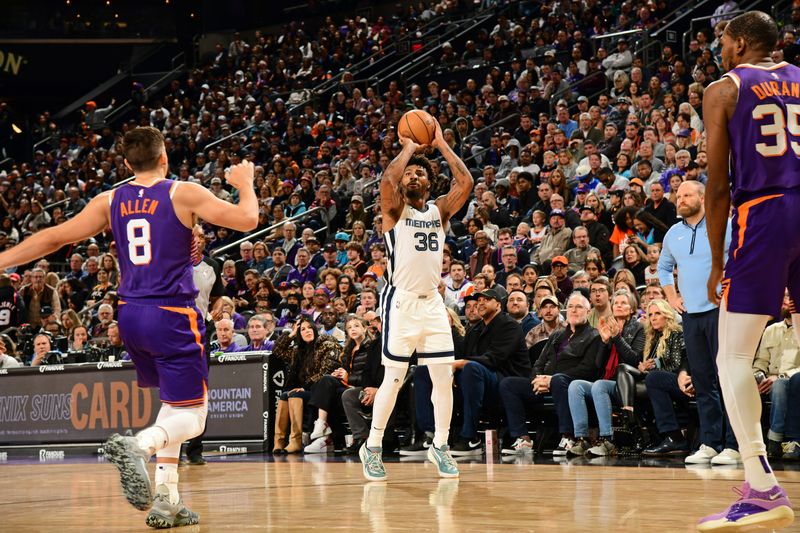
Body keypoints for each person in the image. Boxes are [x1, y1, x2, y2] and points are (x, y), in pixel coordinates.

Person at [0, 126, 258, 527]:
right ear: (164, 157)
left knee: (174, 404)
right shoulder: (182, 192)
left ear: (126, 163)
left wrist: (2, 260)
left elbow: (52, 238)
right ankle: (139, 445)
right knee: (196, 417)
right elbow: (248, 219)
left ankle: (167, 499)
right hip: (172, 313)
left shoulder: (110, 199)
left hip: (129, 314)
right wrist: (246, 183)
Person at [702, 11, 796, 530]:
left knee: (732, 356)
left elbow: (718, 186)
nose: (720, 49)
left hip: (763, 214)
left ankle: (762, 487)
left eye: (722, 41)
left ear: (739, 43)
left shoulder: (724, 89)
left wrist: (717, 261)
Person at [360, 118, 472, 482]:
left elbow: (466, 182)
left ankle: (439, 445)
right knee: (393, 377)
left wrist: (438, 142)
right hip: (401, 302)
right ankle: (372, 447)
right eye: (409, 173)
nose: (412, 177)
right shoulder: (393, 212)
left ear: (429, 183)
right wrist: (409, 146)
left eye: (419, 174)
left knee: (442, 377)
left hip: (433, 303)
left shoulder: (438, 211)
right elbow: (386, 182)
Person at [659, 181, 739, 466]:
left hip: (722, 311)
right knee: (703, 381)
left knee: (726, 378)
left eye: (686, 195)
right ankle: (710, 443)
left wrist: (732, 289)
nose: (680, 199)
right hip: (691, 315)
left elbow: (740, 259)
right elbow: (663, 267)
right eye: (678, 196)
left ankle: (734, 444)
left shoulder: (724, 224)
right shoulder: (673, 233)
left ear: (702, 198)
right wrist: (672, 297)